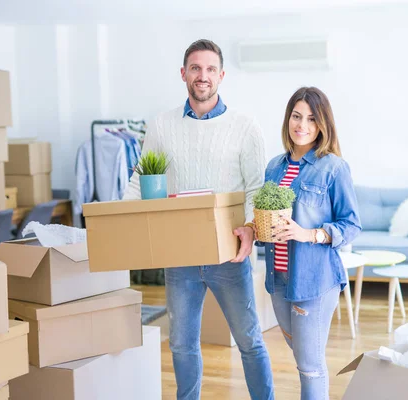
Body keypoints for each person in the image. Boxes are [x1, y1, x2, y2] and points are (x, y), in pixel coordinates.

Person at [122, 39, 274, 400]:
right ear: (183, 74)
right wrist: (121, 221)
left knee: (249, 340)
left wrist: (251, 231)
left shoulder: (244, 125)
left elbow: (256, 187)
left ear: (221, 76)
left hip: (230, 255)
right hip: (180, 256)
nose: (202, 76)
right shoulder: (161, 125)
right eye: (195, 68)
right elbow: (139, 180)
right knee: (181, 344)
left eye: (209, 69)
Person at [256, 86, 362, 399]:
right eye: (297, 116)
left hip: (315, 280)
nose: (302, 125)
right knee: (303, 355)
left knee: (310, 364)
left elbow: (352, 224)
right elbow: (270, 215)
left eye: (312, 119)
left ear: (322, 126)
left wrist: (309, 234)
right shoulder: (275, 166)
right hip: (278, 280)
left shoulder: (334, 168)